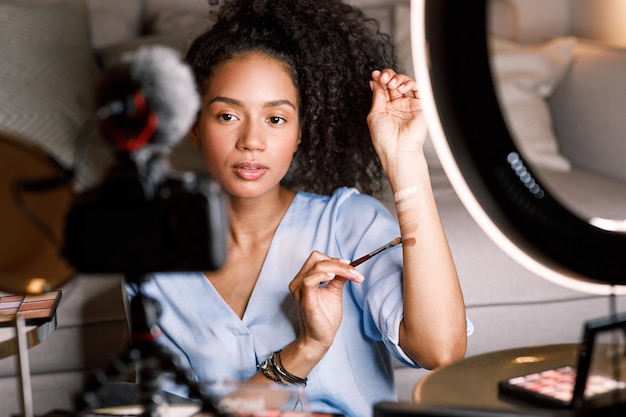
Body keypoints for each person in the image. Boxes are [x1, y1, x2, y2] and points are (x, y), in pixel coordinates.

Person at [127, 0, 471, 416]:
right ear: (195, 127)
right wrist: (305, 349)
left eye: (276, 119)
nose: (251, 140)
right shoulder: (152, 263)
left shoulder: (350, 224)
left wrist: (404, 160)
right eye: (228, 115)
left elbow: (441, 350)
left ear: (301, 132)